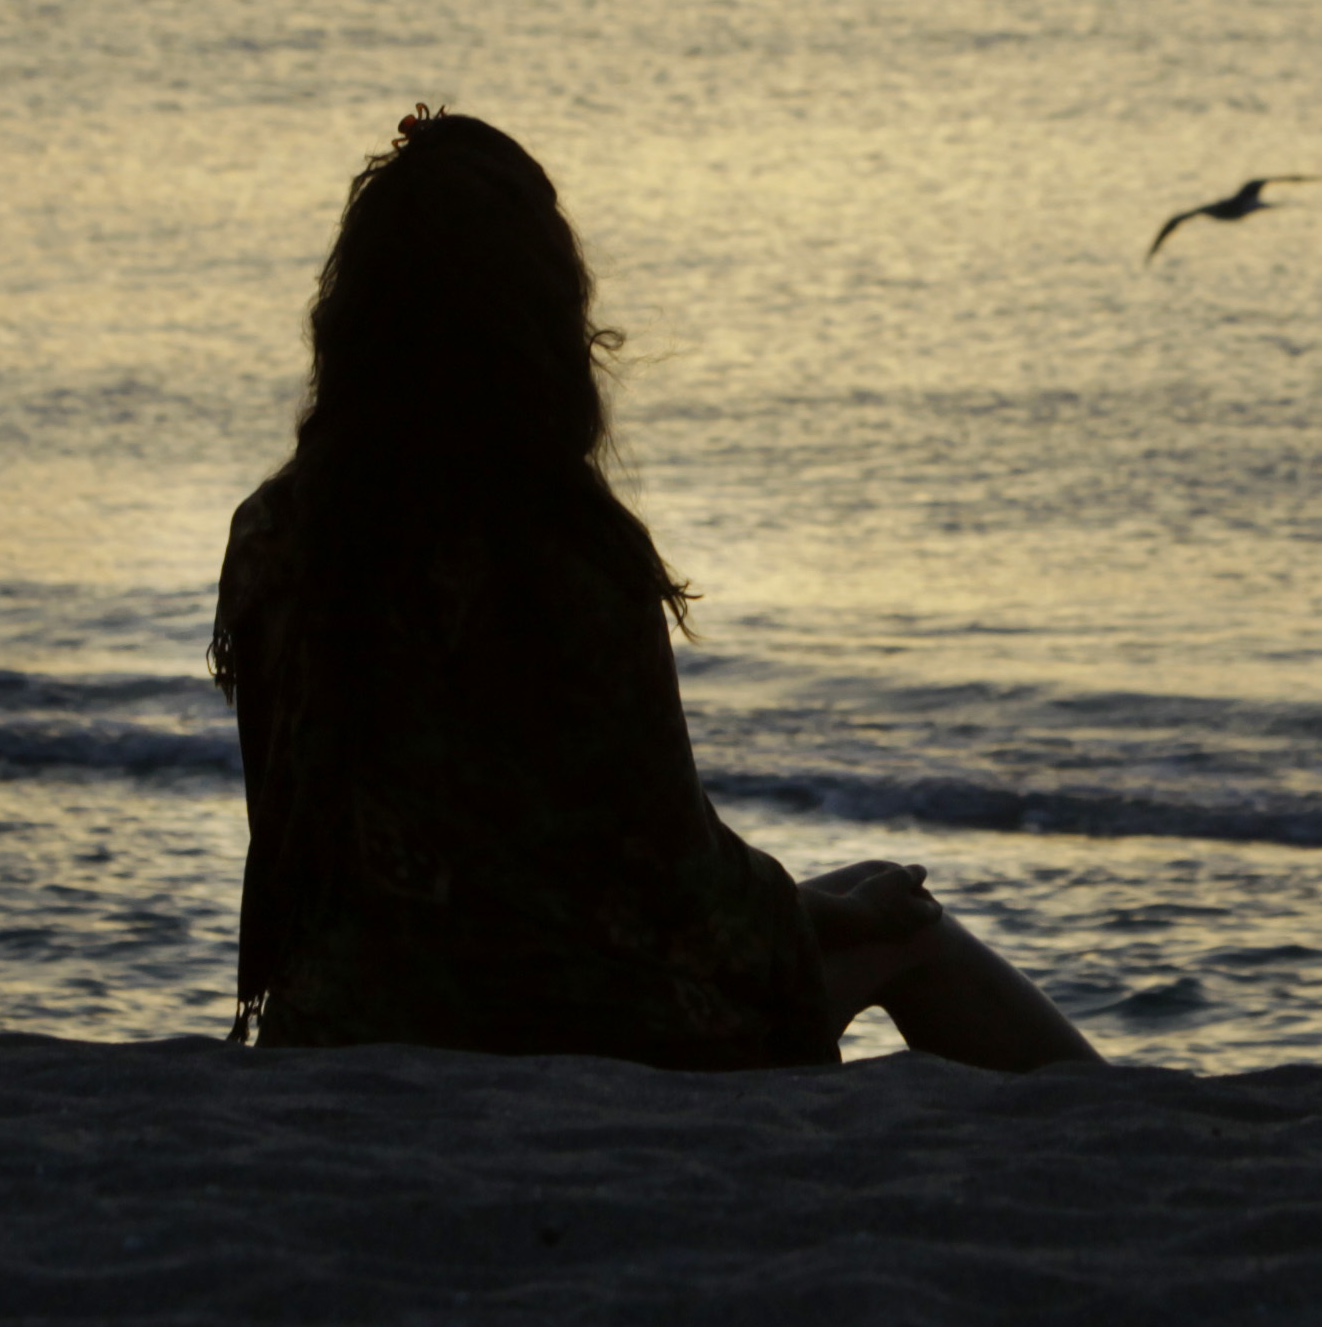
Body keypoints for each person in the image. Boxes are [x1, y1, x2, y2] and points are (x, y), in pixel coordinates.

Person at [207, 109, 1102, 1073]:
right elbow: (670, 876)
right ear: (543, 323)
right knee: (910, 928)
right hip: (564, 1025)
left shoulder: (276, 535)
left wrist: (816, 908)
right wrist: (825, 915)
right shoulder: (557, 550)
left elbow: (289, 837)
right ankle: (1112, 1132)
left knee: (855, 900)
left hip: (342, 1021)